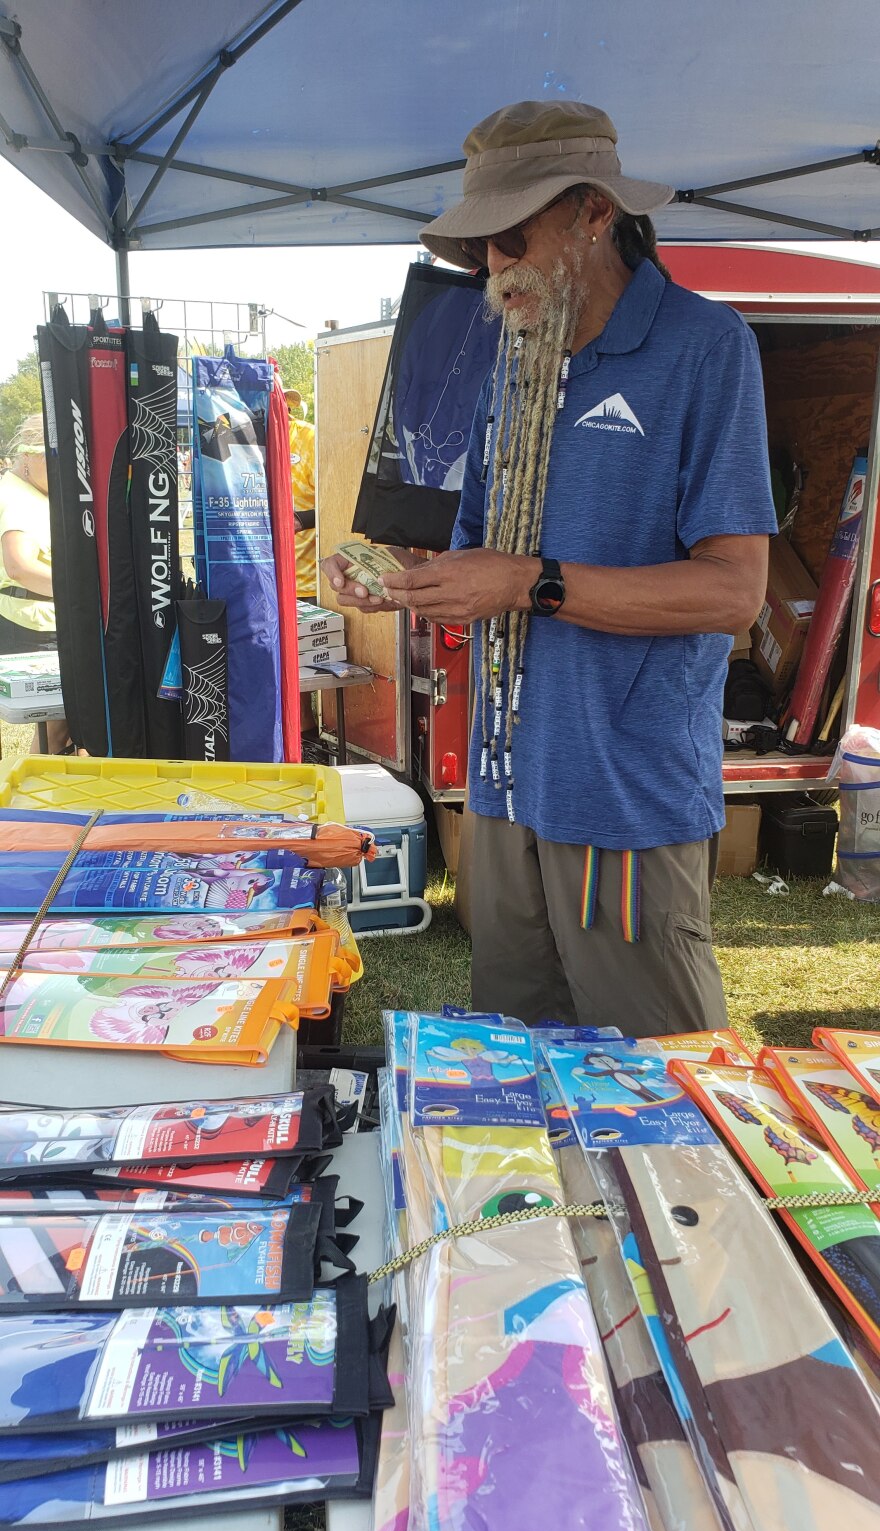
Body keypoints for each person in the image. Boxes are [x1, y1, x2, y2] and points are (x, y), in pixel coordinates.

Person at [323, 100, 776, 1036]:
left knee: (653, 1088)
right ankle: (562, 1200)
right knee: (520, 1077)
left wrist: (532, 583)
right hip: (503, 787)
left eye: (510, 236)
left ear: (594, 213)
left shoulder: (705, 347)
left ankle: (656, 1195)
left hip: (622, 795)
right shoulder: (516, 359)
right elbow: (484, 558)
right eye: (480, 247)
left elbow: (735, 590)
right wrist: (402, 577)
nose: (493, 268)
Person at [0, 413, 70, 753]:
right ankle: (38, 801)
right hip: (35, 625)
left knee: (64, 728)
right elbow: (20, 567)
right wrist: (81, 594)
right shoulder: (18, 499)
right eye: (53, 459)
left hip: (36, 620)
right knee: (55, 730)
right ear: (28, 455)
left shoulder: (24, 489)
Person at [283, 386, 317, 601]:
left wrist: (301, 520)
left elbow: (339, 501)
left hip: (308, 585)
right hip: (260, 580)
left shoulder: (309, 438)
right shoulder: (243, 442)